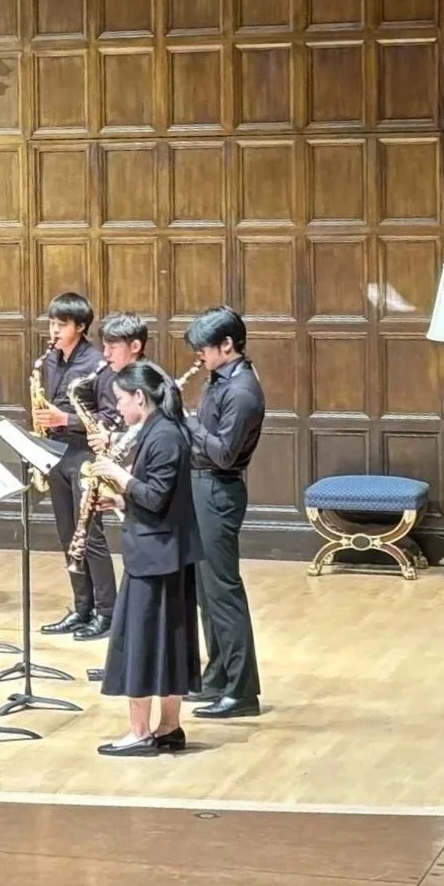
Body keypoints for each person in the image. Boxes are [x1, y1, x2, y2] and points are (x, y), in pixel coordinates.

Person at [88, 360, 204, 756]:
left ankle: (140, 732)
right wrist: (121, 501)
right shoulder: (161, 431)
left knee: (138, 642)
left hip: (156, 556)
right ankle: (169, 728)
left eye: (121, 399)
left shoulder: (164, 436)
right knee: (170, 641)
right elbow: (159, 499)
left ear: (140, 397)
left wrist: (118, 476)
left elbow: (154, 496)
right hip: (166, 549)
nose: (118, 407)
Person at [183, 305, 265, 720]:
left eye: (204, 349)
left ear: (228, 345)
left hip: (218, 490)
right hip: (201, 488)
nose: (200, 356)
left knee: (224, 592)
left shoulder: (242, 391)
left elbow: (225, 453)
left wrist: (186, 421)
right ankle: (217, 675)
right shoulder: (219, 379)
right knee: (206, 592)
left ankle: (242, 690)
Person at [35, 292, 114, 641]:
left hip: (83, 454)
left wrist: (63, 417)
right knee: (68, 535)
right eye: (52, 323)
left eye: (61, 324)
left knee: (90, 536)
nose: (54, 330)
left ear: (80, 327)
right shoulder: (50, 359)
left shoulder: (96, 363)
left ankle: (107, 612)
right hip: (55, 451)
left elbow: (109, 417)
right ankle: (81, 608)